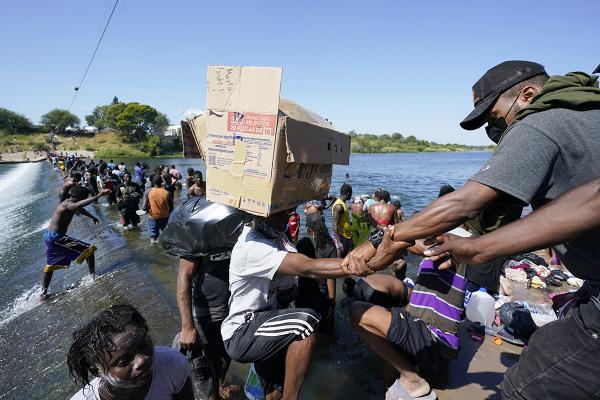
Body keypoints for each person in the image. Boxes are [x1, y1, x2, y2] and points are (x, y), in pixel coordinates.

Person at [345, 60, 600, 399]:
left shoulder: (541, 122)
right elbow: (490, 219)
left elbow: (464, 205)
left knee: (523, 387)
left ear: (527, 94)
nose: (493, 131)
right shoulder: (584, 117)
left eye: (494, 117)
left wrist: (386, 236)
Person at [221, 210, 352, 399]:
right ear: (259, 214)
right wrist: (354, 265)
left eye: (288, 210)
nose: (287, 216)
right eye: (278, 213)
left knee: (272, 390)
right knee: (306, 324)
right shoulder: (252, 246)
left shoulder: (275, 236)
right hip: (243, 331)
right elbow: (308, 266)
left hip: (266, 325)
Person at [67, 304, 194, 400]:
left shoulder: (171, 364)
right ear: (97, 371)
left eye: (142, 345)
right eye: (124, 361)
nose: (142, 360)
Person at [176, 238, 241, 399]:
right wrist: (187, 326)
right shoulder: (196, 233)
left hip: (234, 309)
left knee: (227, 354)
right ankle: (212, 395)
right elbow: (184, 277)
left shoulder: (238, 228)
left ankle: (220, 385)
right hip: (207, 313)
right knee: (207, 363)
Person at [41, 186, 110, 300]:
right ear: (81, 197)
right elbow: (78, 205)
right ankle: (93, 276)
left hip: (50, 236)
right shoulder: (67, 204)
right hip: (56, 237)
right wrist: (98, 196)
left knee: (51, 265)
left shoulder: (68, 203)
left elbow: (79, 209)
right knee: (89, 250)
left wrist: (92, 216)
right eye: (85, 197)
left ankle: (43, 294)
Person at [295, 212, 338, 333]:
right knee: (325, 330)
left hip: (303, 291)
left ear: (308, 227)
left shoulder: (303, 243)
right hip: (322, 292)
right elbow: (331, 277)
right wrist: (331, 301)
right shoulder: (330, 245)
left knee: (303, 330)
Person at [142, 175, 173, 244]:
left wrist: (148, 209)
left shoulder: (148, 192)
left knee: (153, 238)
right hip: (165, 217)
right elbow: (171, 208)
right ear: (161, 182)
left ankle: (153, 249)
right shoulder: (167, 193)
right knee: (167, 236)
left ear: (152, 182)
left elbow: (143, 208)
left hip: (153, 217)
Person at [332, 183, 354, 258]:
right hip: (341, 237)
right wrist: (339, 242)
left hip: (346, 235)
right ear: (348, 194)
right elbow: (334, 224)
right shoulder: (339, 206)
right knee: (339, 261)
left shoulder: (343, 204)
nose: (351, 196)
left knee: (345, 258)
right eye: (351, 194)